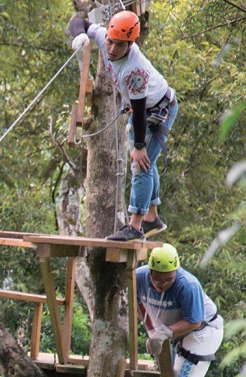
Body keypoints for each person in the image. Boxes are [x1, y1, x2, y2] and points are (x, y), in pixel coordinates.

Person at [68, 10, 178, 241]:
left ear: (131, 44)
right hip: (143, 108)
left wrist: (139, 146)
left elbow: (139, 112)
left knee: (141, 164)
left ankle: (135, 227)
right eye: (110, 42)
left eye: (119, 45)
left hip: (157, 111)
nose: (111, 49)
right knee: (147, 162)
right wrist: (79, 35)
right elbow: (78, 21)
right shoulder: (103, 36)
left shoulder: (134, 69)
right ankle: (152, 219)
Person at [136, 244, 223, 377]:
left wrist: (165, 332)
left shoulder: (187, 285)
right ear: (150, 272)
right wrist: (151, 331)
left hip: (203, 331)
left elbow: (194, 321)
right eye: (158, 279)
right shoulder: (138, 277)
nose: (163, 284)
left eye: (168, 279)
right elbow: (138, 303)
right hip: (176, 335)